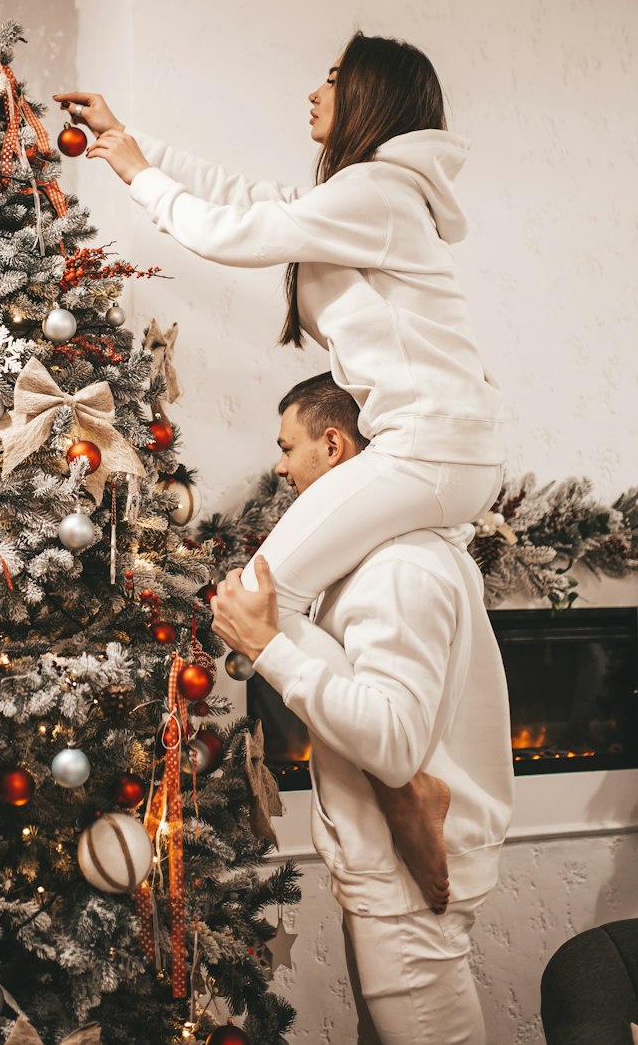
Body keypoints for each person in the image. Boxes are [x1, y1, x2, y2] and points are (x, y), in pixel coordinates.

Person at [54, 32, 504, 619]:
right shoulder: (365, 193)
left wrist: (138, 173)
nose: (315, 92)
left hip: (430, 450)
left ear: (372, 95)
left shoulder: (377, 193)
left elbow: (230, 232)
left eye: (335, 79)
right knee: (294, 602)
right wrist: (127, 141)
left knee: (258, 602)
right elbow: (241, 199)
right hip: (442, 450)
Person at [210, 374, 514, 1045]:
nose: (280, 465)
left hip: (404, 884)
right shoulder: (368, 562)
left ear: (334, 443)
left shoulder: (398, 567)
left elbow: (393, 738)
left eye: (288, 447)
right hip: (385, 866)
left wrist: (267, 645)